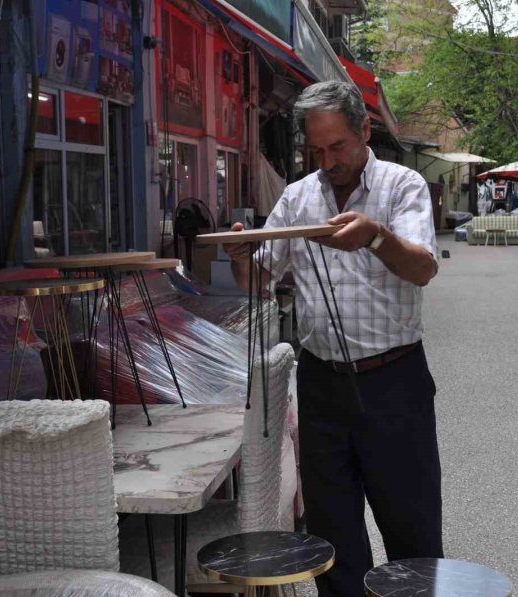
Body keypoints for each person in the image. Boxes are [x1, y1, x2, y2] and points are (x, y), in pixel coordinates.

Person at [222, 80, 442, 595]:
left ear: (364, 130)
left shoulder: (402, 186)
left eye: (338, 146)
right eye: (316, 150)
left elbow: (423, 269)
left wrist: (375, 235)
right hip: (322, 383)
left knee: (411, 527)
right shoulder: (298, 198)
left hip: (395, 381)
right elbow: (260, 279)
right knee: (332, 533)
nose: (328, 160)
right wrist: (238, 259)